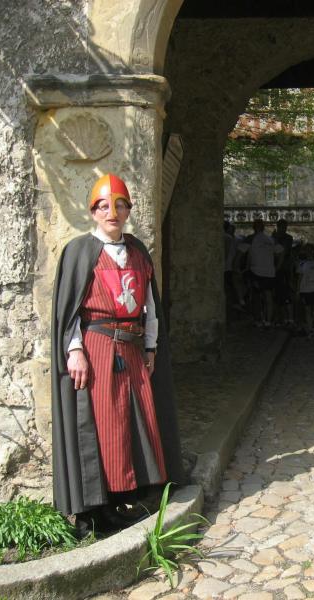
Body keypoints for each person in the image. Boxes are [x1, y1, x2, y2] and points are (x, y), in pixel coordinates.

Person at [51, 173, 185, 534]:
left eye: (120, 205)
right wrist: (74, 350)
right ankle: (97, 508)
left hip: (133, 347)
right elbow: (69, 312)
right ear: (93, 212)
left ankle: (128, 495)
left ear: (128, 210)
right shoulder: (79, 252)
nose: (112, 212)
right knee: (102, 422)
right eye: (104, 206)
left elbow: (150, 307)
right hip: (96, 348)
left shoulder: (138, 252)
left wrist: (151, 346)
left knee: (133, 422)